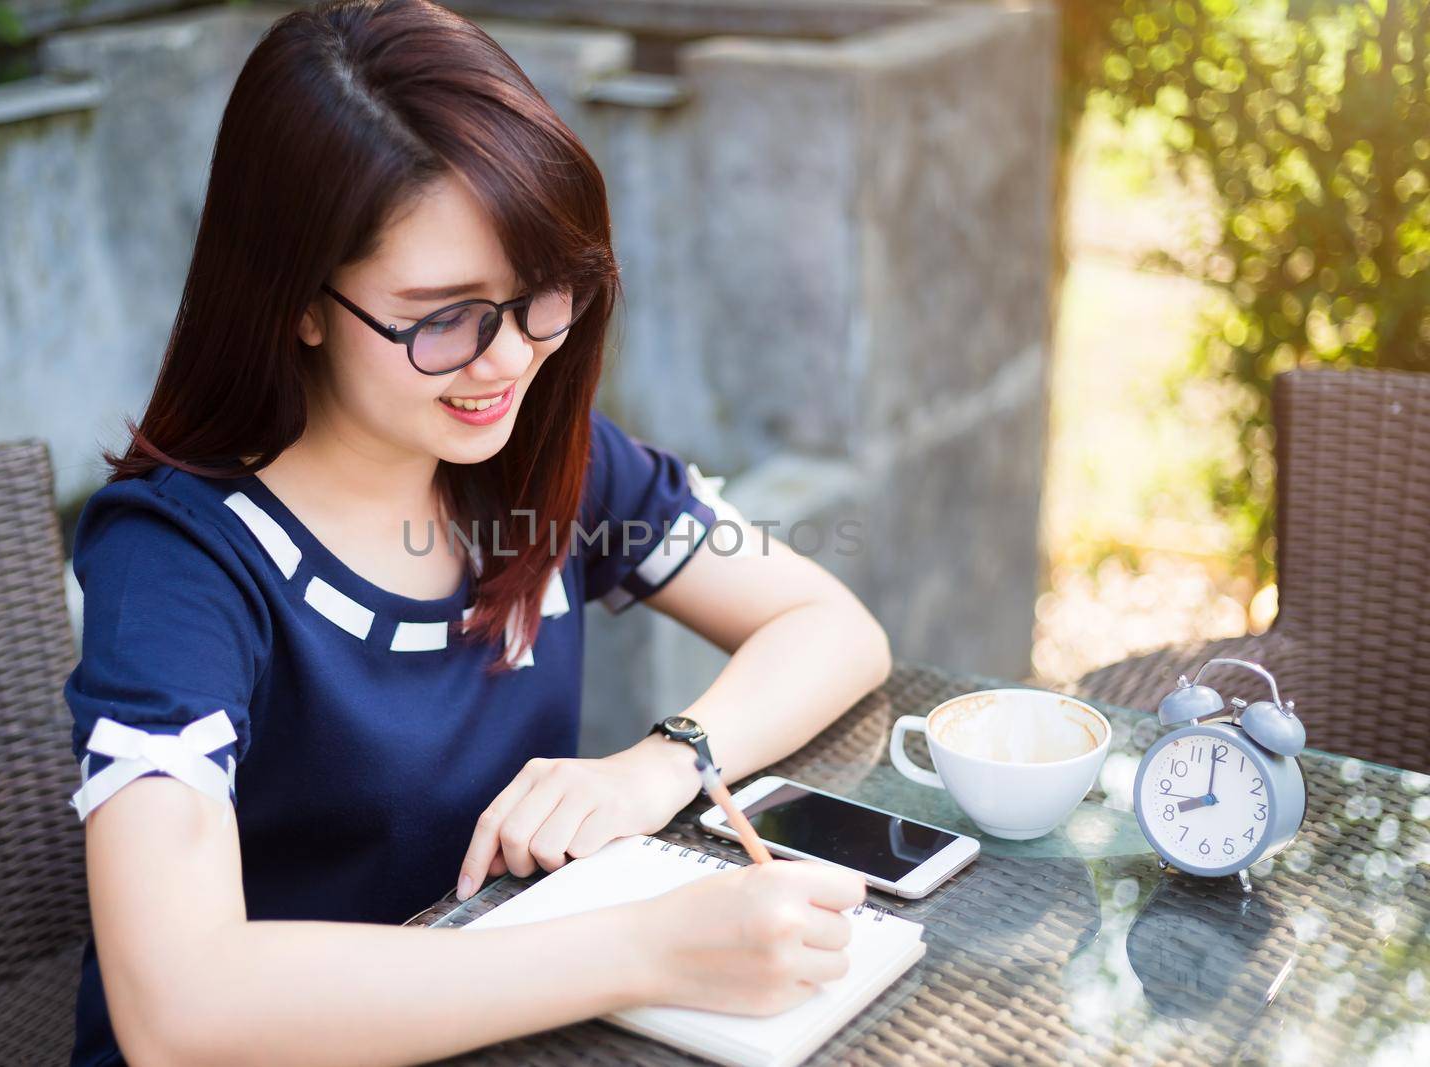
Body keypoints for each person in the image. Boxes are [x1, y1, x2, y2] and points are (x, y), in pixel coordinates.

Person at [63, 1, 893, 1063]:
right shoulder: (180, 562)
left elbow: (829, 624)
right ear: (297, 301)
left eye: (542, 294)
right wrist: (644, 950)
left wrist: (655, 766)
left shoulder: (543, 460)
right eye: (443, 316)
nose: (507, 361)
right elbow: (180, 1010)